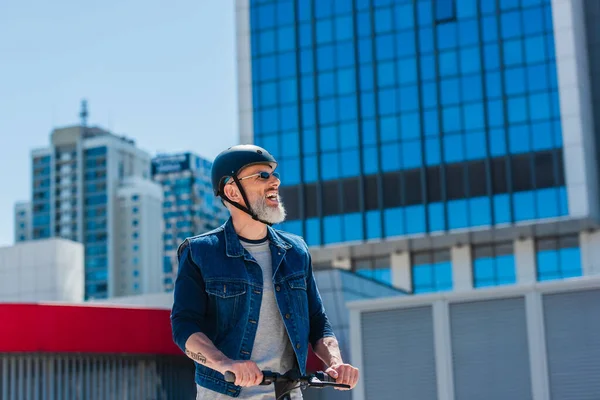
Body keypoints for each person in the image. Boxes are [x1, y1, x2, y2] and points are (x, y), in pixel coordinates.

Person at [170, 144, 359, 399]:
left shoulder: (296, 251)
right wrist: (225, 363)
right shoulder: (199, 252)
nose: (275, 182)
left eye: (274, 174)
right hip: (226, 394)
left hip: (288, 394)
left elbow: (318, 322)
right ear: (232, 190)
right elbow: (184, 327)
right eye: (263, 175)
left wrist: (335, 362)